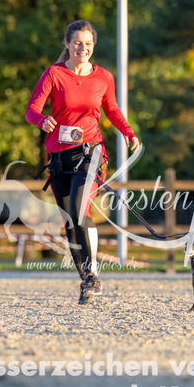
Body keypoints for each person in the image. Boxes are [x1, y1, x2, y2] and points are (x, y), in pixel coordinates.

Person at [25, 20, 139, 304]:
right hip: (59, 156)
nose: (82, 48)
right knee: (70, 219)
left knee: (78, 209)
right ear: (67, 44)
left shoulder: (103, 77)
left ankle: (92, 276)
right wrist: (42, 120)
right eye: (77, 43)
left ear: (93, 46)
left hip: (91, 152)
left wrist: (128, 132)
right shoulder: (54, 74)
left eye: (88, 44)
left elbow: (112, 109)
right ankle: (88, 278)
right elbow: (32, 109)